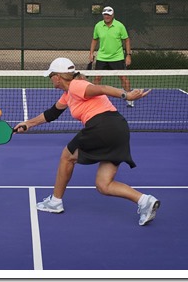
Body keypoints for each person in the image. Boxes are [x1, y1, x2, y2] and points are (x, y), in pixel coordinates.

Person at [14, 57, 160, 226]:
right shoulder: (68, 94)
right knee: (103, 185)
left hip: (102, 126)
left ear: (58, 77)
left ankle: (55, 201)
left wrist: (126, 95)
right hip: (118, 130)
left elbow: (102, 88)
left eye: (51, 76)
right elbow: (52, 114)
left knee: (67, 156)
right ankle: (145, 201)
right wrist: (28, 124)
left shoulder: (77, 85)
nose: (50, 79)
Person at [89, 6, 134, 107]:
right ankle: (94, 98)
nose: (107, 16)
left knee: (123, 78)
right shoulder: (98, 26)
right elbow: (94, 39)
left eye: (109, 15)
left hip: (117, 57)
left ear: (113, 15)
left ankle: (129, 98)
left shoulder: (120, 26)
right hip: (102, 57)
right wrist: (91, 53)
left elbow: (126, 40)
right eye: (105, 14)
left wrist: (128, 55)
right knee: (96, 78)